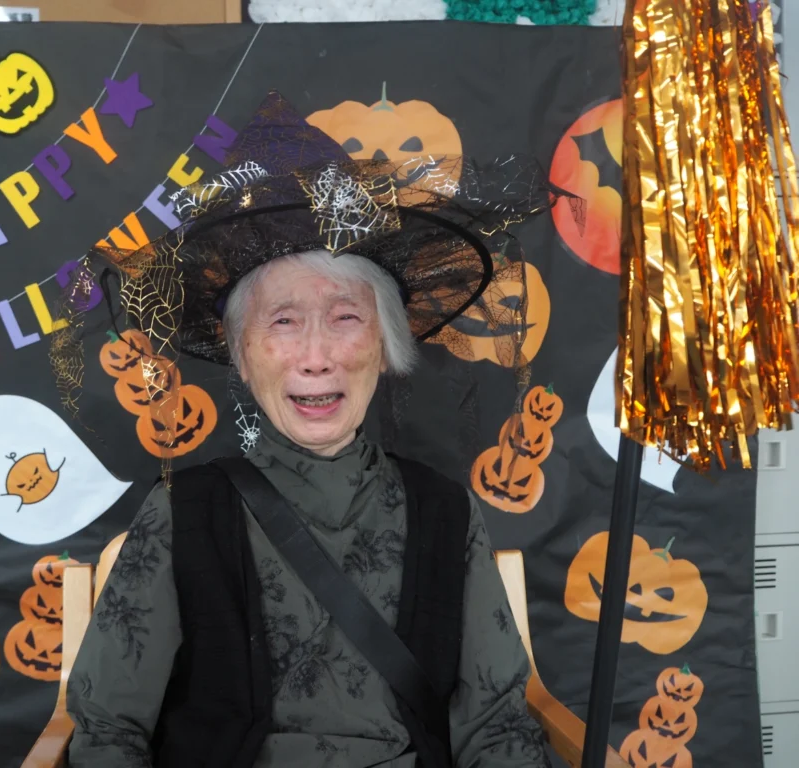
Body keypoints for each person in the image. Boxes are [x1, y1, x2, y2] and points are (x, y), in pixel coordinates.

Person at [51, 91, 575, 767]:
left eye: (346, 318)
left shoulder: (445, 512)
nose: (316, 356)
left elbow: (497, 727)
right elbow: (108, 731)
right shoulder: (183, 513)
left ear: (384, 348)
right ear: (242, 355)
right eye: (283, 321)